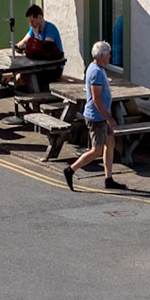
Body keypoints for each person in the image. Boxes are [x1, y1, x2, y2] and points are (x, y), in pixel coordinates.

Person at [63, 41, 124, 191]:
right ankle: (71, 169)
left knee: (110, 143)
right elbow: (96, 99)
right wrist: (109, 118)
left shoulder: (98, 68)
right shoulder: (96, 72)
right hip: (97, 118)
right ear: (102, 55)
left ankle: (108, 179)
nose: (110, 56)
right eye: (108, 54)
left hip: (102, 116)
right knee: (97, 150)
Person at [11, 4, 63, 91]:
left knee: (22, 78)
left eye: (32, 21)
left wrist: (35, 34)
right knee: (19, 77)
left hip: (54, 68)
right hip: (39, 66)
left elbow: (45, 47)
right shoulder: (33, 28)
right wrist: (18, 46)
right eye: (30, 22)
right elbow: (24, 41)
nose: (31, 24)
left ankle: (33, 96)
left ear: (39, 18)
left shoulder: (50, 29)